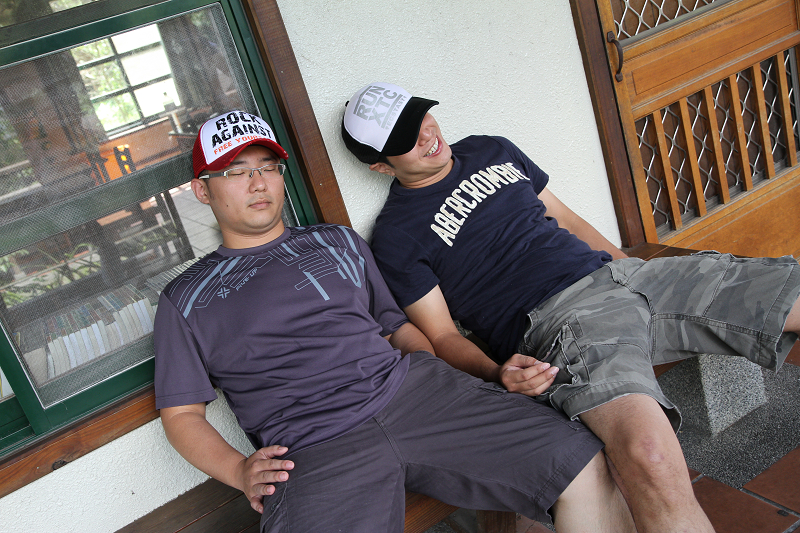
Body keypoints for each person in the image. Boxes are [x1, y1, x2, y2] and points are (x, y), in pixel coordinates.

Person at [342, 82, 800, 533]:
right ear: (381, 166)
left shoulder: (490, 149)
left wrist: (632, 267)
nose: (426, 134)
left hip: (623, 277)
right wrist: (497, 372)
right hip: (564, 322)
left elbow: (565, 218)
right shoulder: (398, 235)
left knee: (788, 292)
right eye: (406, 139)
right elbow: (442, 335)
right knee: (651, 457)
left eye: (421, 116)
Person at [153, 110, 636, 533]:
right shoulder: (188, 298)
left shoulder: (336, 242)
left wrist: (436, 373)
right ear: (202, 190)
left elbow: (396, 328)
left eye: (267, 167)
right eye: (236, 172)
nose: (258, 183)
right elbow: (181, 415)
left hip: (418, 394)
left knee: (581, 465)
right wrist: (239, 471)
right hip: (311, 446)